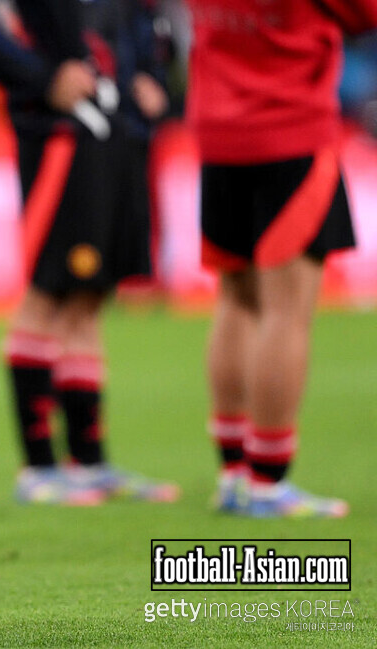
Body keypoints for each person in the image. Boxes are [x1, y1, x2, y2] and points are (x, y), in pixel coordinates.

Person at [0, 0, 179, 505]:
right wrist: (41, 77)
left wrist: (151, 73)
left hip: (120, 134)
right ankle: (39, 468)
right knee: (48, 293)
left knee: (89, 298)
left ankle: (89, 463)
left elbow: (140, 22)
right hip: (62, 134)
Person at [186, 1, 373, 518]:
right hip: (289, 126)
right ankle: (267, 482)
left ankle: (233, 474)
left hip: (218, 131)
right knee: (285, 311)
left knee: (237, 300)